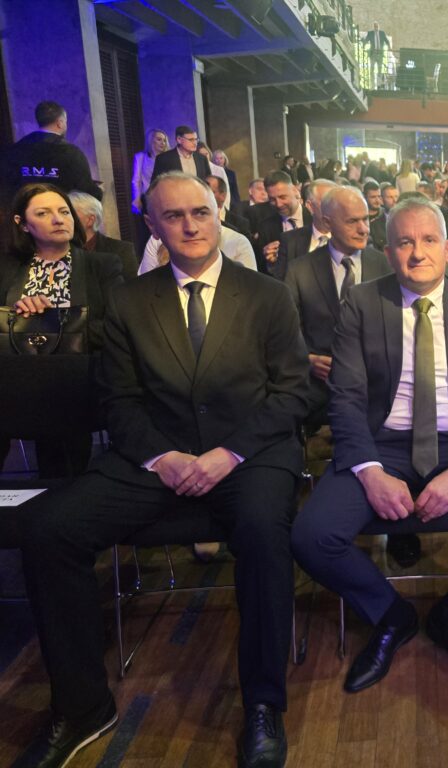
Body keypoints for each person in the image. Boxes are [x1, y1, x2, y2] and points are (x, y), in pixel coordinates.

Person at [16, 172, 308, 768]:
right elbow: (118, 399)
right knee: (48, 530)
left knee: (262, 533)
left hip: (248, 455)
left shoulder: (268, 295)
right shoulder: (128, 300)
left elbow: (293, 393)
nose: (190, 225)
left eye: (200, 212)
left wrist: (228, 453)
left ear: (219, 214)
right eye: (173, 216)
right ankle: (82, 707)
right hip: (157, 456)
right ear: (152, 226)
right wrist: (162, 457)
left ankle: (263, 703)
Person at [290, 197, 448, 693]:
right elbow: (345, 399)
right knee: (311, 536)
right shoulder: (362, 303)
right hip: (381, 444)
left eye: (429, 240)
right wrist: (369, 471)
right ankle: (392, 616)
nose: (417, 253)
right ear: (387, 251)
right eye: (404, 242)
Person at [0, 183, 123, 477]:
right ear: (22, 223)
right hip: (15, 380)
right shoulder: (7, 267)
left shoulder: (101, 265)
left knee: (63, 460)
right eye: (43, 213)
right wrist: (16, 314)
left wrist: (53, 321)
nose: (58, 219)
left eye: (64, 212)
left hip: (75, 381)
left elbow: (117, 326)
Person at [285, 185, 390, 426]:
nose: (364, 229)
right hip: (319, 395)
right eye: (352, 221)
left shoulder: (386, 266)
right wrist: (307, 359)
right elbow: (285, 331)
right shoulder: (300, 270)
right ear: (327, 223)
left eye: (365, 219)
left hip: (376, 394)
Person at [1, 100, 104, 202]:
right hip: (58, 210)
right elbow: (87, 191)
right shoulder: (71, 153)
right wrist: (99, 191)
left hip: (23, 210)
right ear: (60, 123)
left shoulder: (14, 150)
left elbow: (7, 185)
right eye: (65, 122)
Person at [255, 171, 310, 277]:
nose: (278, 204)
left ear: (295, 190)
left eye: (282, 197)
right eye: (272, 199)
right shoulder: (265, 227)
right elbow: (262, 272)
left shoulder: (314, 217)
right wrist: (270, 263)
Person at [131, 129, 169, 213]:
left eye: (164, 140)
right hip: (148, 198)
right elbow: (136, 180)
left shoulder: (169, 158)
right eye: (159, 139)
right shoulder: (140, 157)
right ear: (151, 141)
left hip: (166, 197)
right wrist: (137, 198)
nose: (162, 143)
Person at [363, 22, 391, 88]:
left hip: (380, 53)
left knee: (380, 69)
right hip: (373, 53)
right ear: (373, 27)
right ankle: (372, 84)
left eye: (377, 26)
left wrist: (389, 47)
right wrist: (363, 45)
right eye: (375, 26)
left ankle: (378, 84)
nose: (376, 27)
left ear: (379, 27)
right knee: (372, 69)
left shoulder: (382, 33)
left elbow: (386, 41)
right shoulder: (370, 33)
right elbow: (366, 40)